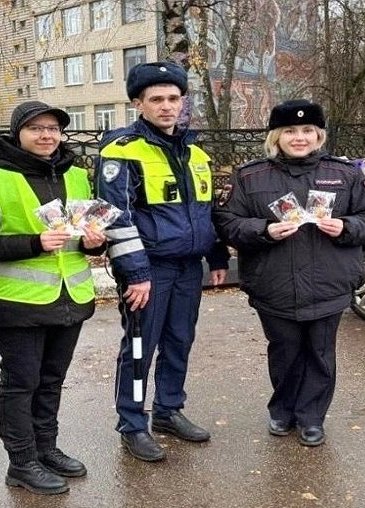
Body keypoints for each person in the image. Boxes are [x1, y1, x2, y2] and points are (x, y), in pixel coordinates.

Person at [212, 99, 365, 447]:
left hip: (329, 285)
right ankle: (283, 410)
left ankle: (312, 418)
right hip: (273, 285)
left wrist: (346, 226)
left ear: (319, 135)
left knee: (321, 355)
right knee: (285, 351)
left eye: (308, 130)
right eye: (290, 131)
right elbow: (227, 222)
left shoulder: (345, 173)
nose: (299, 137)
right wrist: (264, 230)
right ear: (276, 136)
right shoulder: (250, 175)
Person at [0, 101, 107, 494]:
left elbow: (83, 233)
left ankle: (47, 448)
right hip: (19, 302)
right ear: (17, 133)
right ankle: (21, 461)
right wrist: (33, 242)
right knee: (20, 382)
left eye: (53, 128)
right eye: (36, 128)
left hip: (70, 296)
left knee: (52, 380)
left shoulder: (76, 175)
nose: (46, 135)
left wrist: (95, 242)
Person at [94, 61, 230, 462]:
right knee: (139, 346)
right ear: (139, 103)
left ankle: (169, 411)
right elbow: (115, 217)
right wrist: (135, 273)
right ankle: (133, 423)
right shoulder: (121, 151)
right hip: (147, 269)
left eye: (173, 98)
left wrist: (217, 253)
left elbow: (206, 211)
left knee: (178, 342)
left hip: (189, 267)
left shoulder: (196, 154)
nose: (167, 107)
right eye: (156, 99)